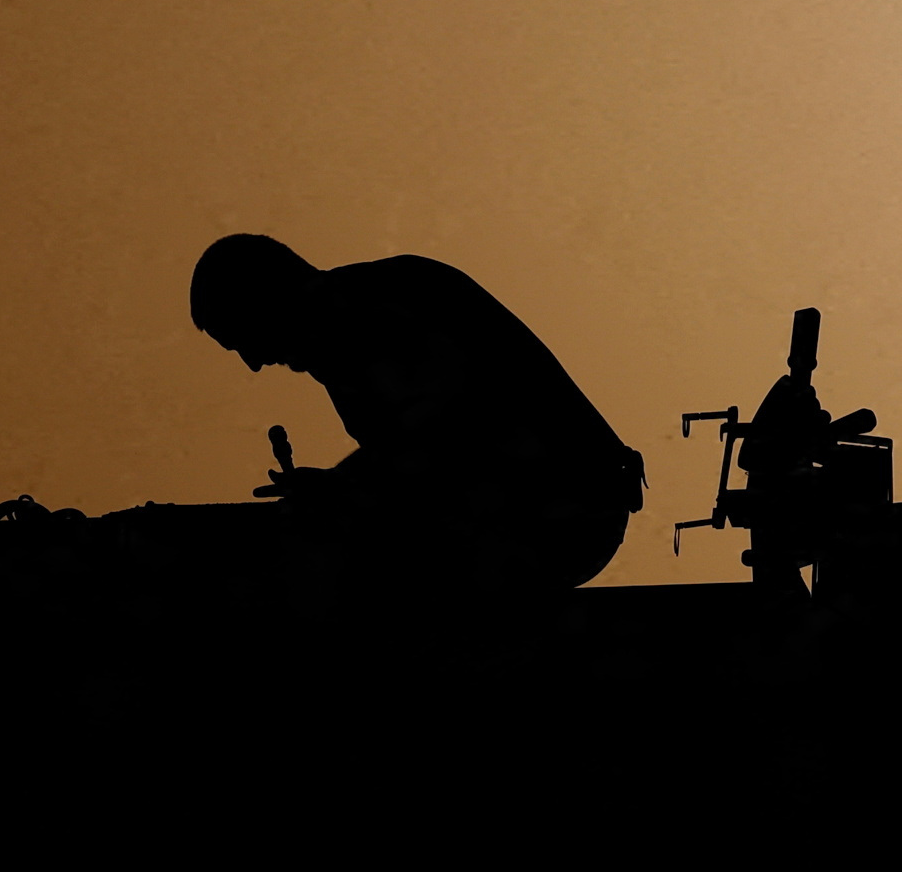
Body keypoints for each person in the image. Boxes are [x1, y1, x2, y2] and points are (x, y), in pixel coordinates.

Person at [192, 235, 646, 610]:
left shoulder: (370, 313)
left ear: (262, 299)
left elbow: (450, 429)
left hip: (557, 513)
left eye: (241, 339)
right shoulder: (357, 316)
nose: (253, 363)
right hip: (545, 509)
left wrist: (342, 488)